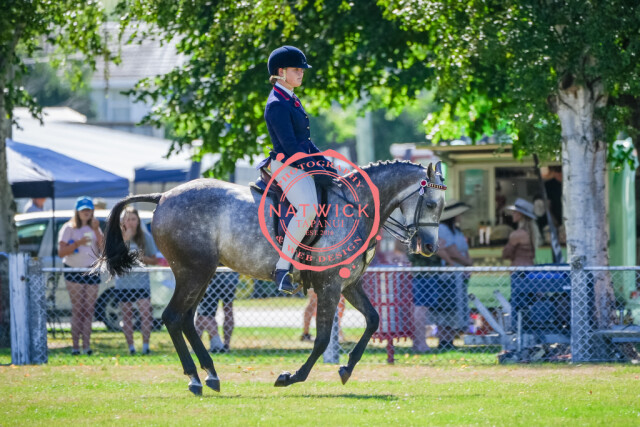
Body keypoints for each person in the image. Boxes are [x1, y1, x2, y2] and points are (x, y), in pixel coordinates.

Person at [258, 45, 339, 294]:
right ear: (281, 72)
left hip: (300, 161)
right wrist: (314, 168)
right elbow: (291, 147)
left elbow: (305, 142)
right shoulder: (277, 104)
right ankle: (283, 268)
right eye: (296, 69)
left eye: (302, 70)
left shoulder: (291, 98)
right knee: (308, 209)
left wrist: (325, 163)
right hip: (286, 164)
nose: (302, 73)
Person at [419, 200, 472, 351]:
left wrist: (467, 264)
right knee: (446, 308)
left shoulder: (457, 231)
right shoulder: (442, 229)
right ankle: (444, 340)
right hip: (447, 276)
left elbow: (462, 250)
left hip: (459, 274)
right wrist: (468, 263)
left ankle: (450, 339)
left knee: (456, 307)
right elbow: (451, 251)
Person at [58, 196, 103, 355]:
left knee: (89, 310)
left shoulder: (95, 228)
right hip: (73, 270)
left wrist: (96, 230)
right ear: (77, 211)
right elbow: (61, 252)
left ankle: (87, 346)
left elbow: (103, 249)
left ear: (92, 211)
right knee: (78, 309)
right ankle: (75, 347)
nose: (86, 212)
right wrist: (78, 243)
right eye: (83, 210)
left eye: (88, 209)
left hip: (91, 270)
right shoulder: (68, 228)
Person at [116, 207, 159, 355]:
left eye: (133, 219)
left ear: (138, 221)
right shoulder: (117, 237)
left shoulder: (145, 237)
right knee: (127, 315)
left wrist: (141, 258)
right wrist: (126, 239)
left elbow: (154, 260)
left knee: (146, 314)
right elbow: (113, 258)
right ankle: (131, 348)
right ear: (123, 222)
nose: (130, 223)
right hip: (123, 283)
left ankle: (146, 346)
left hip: (141, 282)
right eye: (127, 219)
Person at [196, 270, 239, 353]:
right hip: (230, 274)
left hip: (214, 275)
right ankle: (224, 345)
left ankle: (218, 346)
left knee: (203, 315)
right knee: (227, 310)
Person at [502, 198, 541, 266]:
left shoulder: (516, 235)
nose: (512, 214)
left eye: (514, 212)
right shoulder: (531, 233)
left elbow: (506, 254)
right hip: (530, 266)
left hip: (518, 268)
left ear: (520, 214)